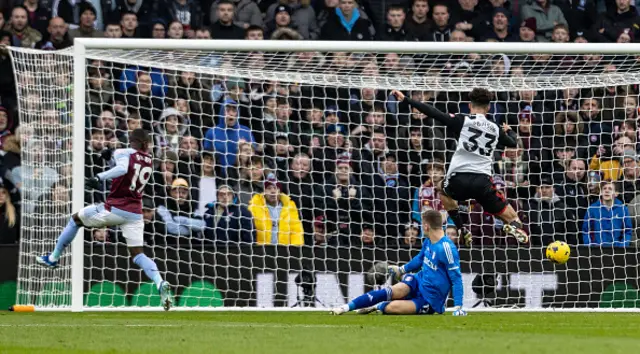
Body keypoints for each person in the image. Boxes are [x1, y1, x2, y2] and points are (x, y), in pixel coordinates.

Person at [35, 129, 174, 310]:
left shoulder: (123, 153)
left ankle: (53, 258)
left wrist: (99, 176)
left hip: (114, 208)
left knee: (75, 219)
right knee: (138, 254)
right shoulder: (148, 161)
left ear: (132, 141)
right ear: (147, 144)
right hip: (135, 213)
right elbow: (126, 171)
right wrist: (109, 159)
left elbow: (123, 168)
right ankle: (159, 282)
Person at [391, 88, 528, 244]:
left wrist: (406, 100)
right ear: (488, 108)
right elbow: (511, 142)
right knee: (511, 215)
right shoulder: (495, 128)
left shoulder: (462, 120)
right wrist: (509, 131)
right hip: (483, 182)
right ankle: (513, 225)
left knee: (442, 190)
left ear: (470, 105)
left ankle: (462, 228)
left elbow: (433, 112)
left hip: (458, 179)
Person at [330, 210, 465, 316]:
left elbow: (456, 278)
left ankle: (376, 306)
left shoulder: (446, 248)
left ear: (426, 226)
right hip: (418, 281)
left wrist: (458, 307)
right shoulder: (428, 241)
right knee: (392, 290)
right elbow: (419, 259)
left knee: (392, 307)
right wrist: (402, 269)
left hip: (431, 299)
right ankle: (345, 307)